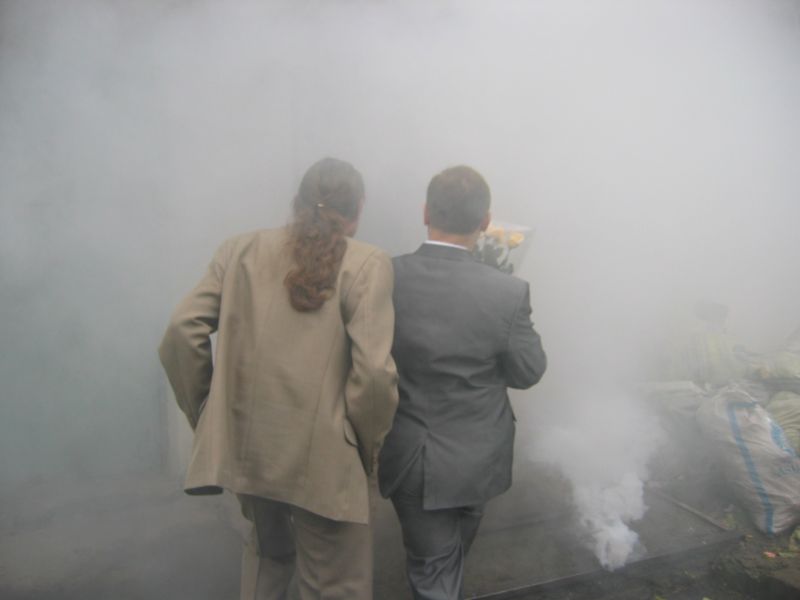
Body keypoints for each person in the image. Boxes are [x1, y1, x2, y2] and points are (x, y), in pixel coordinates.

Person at [158, 158, 399, 600]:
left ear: (297, 201)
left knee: (268, 556)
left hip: (249, 446)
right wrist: (366, 448)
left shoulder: (238, 250)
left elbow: (181, 330)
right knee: (334, 585)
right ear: (359, 207)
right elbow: (375, 377)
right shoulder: (367, 263)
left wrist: (208, 412)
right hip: (326, 456)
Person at [378, 165, 547, 600]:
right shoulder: (508, 291)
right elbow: (528, 371)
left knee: (436, 568)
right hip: (480, 460)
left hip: (413, 457)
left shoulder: (385, 276)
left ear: (425, 212)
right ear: (486, 222)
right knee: (442, 568)